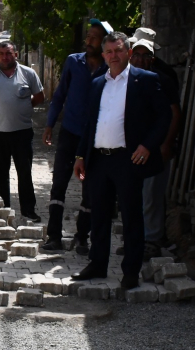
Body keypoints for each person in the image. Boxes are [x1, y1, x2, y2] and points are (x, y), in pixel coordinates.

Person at [70, 31, 170, 289]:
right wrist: (80, 155)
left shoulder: (145, 80)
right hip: (99, 160)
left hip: (128, 159)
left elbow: (163, 118)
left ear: (128, 52)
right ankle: (97, 264)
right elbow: (90, 124)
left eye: (118, 50)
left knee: (131, 216)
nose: (113, 56)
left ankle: (130, 271)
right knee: (99, 215)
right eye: (109, 52)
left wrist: (148, 146)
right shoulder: (97, 83)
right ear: (104, 55)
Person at [41, 19, 108, 253]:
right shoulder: (73, 61)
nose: (89, 41)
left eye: (94, 38)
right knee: (59, 183)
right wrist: (49, 124)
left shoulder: (109, 69)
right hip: (69, 132)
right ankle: (54, 236)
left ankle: (82, 237)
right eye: (88, 36)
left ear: (104, 42)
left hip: (93, 138)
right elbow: (60, 94)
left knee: (89, 188)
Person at [0, 41, 45, 222]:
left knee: (25, 172)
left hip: (22, 132)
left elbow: (40, 96)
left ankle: (28, 211)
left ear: (16, 54)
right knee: (0, 174)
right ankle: (3, 211)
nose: (5, 57)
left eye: (8, 53)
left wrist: (23, 109)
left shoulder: (28, 74)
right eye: (1, 54)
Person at [128, 28, 182, 258]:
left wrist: (166, 144)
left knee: (151, 194)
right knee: (134, 194)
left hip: (155, 146)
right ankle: (137, 239)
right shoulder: (125, 77)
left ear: (152, 57)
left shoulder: (163, 79)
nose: (140, 60)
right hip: (132, 145)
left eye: (145, 55)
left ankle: (152, 239)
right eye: (136, 54)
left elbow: (174, 114)